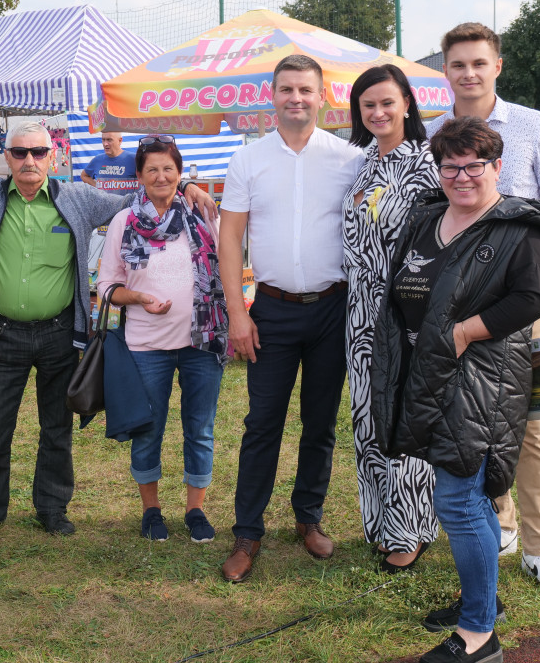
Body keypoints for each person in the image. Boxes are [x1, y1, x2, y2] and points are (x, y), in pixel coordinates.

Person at [371, 117, 540, 663]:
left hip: (482, 375)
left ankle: (480, 634)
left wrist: (465, 331)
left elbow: (534, 298)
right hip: (429, 370)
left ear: (497, 167)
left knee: (458, 496)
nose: (461, 176)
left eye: (473, 166)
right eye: (450, 166)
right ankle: (485, 599)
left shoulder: (517, 230)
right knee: (464, 495)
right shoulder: (428, 220)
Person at [0, 124, 219, 543]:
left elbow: (142, 193)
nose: (30, 160)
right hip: (2, 332)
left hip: (60, 332)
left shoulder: (77, 198)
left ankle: (52, 508)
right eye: (20, 152)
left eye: (39, 152)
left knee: (57, 426)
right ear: (5, 156)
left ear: (54, 157)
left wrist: (185, 182)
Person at [426, 22, 540, 604]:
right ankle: (504, 527)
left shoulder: (533, 127)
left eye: (479, 63)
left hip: (522, 311)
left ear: (498, 66)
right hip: (459, 316)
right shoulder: (435, 134)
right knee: (472, 427)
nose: (468, 72)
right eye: (458, 63)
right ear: (445, 70)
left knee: (531, 431)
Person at [218, 54, 364, 582]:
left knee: (320, 423)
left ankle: (309, 518)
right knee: (262, 424)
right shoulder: (248, 159)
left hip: (332, 307)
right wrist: (238, 312)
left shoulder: (349, 159)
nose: (295, 99)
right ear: (272, 95)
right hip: (272, 310)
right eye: (286, 90)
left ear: (322, 96)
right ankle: (247, 533)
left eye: (305, 90)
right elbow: (229, 238)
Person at [97, 135, 229, 543]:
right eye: (151, 169)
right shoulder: (124, 221)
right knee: (148, 429)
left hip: (202, 343)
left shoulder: (202, 213)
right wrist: (137, 297)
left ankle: (195, 510)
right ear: (138, 175)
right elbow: (106, 287)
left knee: (200, 428)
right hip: (145, 345)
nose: (160, 176)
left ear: (180, 173)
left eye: (168, 168)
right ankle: (151, 510)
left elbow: (228, 264)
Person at [342, 65, 441, 573]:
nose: (378, 113)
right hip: (358, 317)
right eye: (367, 105)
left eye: (386, 102)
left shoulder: (427, 165)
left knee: (404, 421)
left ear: (407, 102)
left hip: (406, 317)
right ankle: (380, 523)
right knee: (368, 418)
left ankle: (410, 530)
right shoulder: (361, 165)